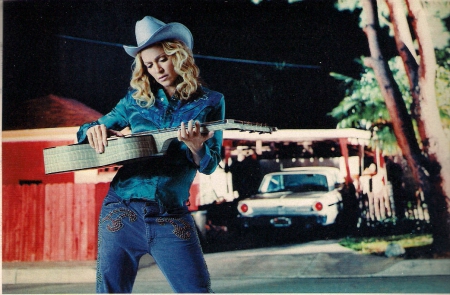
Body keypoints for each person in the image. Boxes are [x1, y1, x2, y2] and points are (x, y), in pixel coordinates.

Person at [76, 16, 225, 293]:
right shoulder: (135, 99)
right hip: (121, 209)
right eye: (148, 64)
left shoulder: (212, 102)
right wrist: (94, 131)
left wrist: (196, 146)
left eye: (162, 59)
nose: (156, 69)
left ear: (179, 56)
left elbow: (209, 164)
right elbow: (89, 129)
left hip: (170, 214)